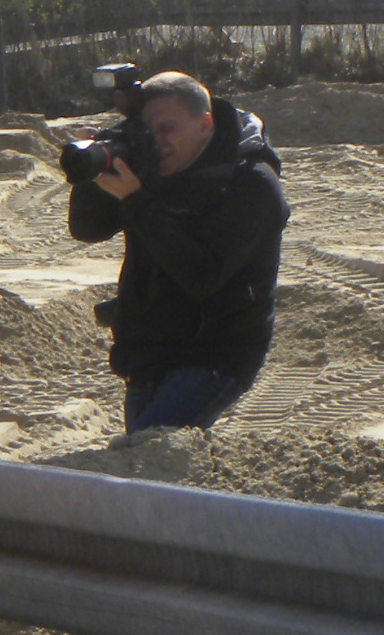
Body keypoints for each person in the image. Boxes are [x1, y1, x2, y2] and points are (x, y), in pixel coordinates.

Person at [65, 69, 287, 434]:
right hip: (149, 349)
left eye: (167, 129)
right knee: (149, 454)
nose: (157, 142)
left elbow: (203, 275)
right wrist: (95, 171)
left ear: (204, 124)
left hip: (215, 353)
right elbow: (88, 229)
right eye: (147, 131)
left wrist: (136, 201)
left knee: (146, 452)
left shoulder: (251, 184)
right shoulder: (151, 164)